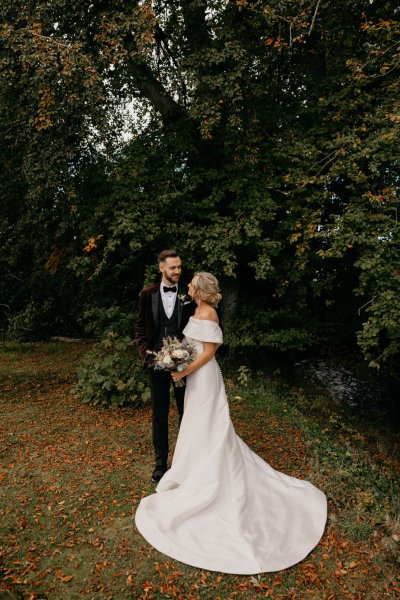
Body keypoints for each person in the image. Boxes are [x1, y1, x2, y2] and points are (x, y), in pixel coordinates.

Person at [135, 272, 327, 574]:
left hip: (205, 377)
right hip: (195, 376)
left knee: (211, 424)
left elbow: (210, 353)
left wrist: (182, 371)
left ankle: (213, 475)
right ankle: (193, 470)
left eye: (191, 284)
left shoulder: (208, 312)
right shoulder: (196, 309)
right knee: (196, 425)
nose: (187, 286)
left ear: (200, 290)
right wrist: (176, 357)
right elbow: (191, 344)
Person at [134, 250, 195, 483]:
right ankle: (160, 464)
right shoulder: (146, 294)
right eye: (172, 268)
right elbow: (139, 328)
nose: (177, 271)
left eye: (179, 267)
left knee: (186, 413)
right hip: (156, 364)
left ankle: (185, 462)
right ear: (161, 268)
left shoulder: (189, 293)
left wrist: (188, 355)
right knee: (159, 415)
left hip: (184, 364)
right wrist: (146, 355)